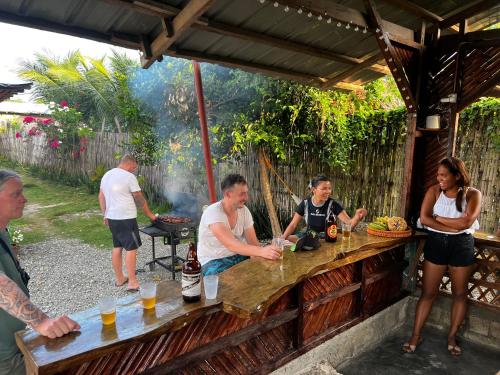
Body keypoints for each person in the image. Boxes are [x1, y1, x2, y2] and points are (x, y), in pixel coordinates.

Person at [0, 170, 80, 375]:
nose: (24, 199)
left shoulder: (3, 231)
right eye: (16, 194)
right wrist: (41, 321)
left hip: (13, 345)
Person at [403, 157, 481, 356]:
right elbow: (424, 218)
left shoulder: (473, 194)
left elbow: (466, 223)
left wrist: (437, 219)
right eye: (438, 174)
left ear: (457, 175)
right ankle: (415, 335)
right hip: (437, 243)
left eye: (444, 175)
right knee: (428, 292)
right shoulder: (434, 191)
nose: (439, 178)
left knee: (460, 294)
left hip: (462, 245)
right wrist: (449, 224)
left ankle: (452, 336)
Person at [198, 174, 281, 275]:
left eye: (246, 193)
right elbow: (231, 245)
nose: (246, 197)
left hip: (238, 255)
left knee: (269, 271)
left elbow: (253, 244)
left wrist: (266, 256)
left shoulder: (244, 211)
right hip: (213, 261)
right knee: (233, 285)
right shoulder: (213, 213)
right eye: (242, 194)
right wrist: (261, 251)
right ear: (228, 194)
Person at [99, 154, 156, 291]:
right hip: (126, 218)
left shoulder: (107, 175)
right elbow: (139, 197)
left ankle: (120, 279)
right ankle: (132, 282)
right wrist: (149, 214)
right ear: (130, 164)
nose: (134, 170)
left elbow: (101, 196)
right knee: (131, 248)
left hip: (113, 217)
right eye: (134, 167)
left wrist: (105, 214)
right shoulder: (129, 177)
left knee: (117, 246)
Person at [282, 175, 368, 243]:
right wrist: (282, 239)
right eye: (324, 189)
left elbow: (349, 224)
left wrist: (357, 217)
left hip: (326, 238)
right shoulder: (305, 203)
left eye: (329, 188)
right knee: (288, 238)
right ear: (313, 190)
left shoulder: (333, 204)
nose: (328, 192)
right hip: (309, 235)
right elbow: (293, 224)